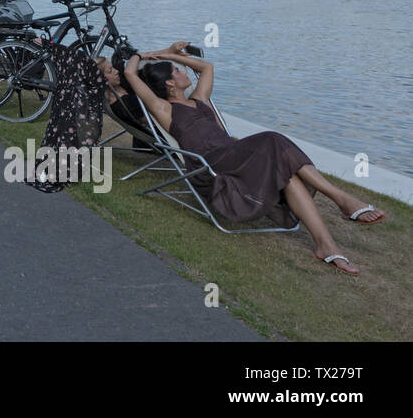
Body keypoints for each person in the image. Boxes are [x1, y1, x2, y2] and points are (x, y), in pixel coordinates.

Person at [124, 45, 385, 275]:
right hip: (212, 165)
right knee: (273, 138)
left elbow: (206, 67)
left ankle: (326, 246)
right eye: (177, 70)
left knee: (289, 173)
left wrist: (169, 54)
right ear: (170, 83)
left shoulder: (200, 100)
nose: (184, 71)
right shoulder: (165, 110)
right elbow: (129, 74)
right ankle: (342, 200)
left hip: (235, 156)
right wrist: (140, 55)